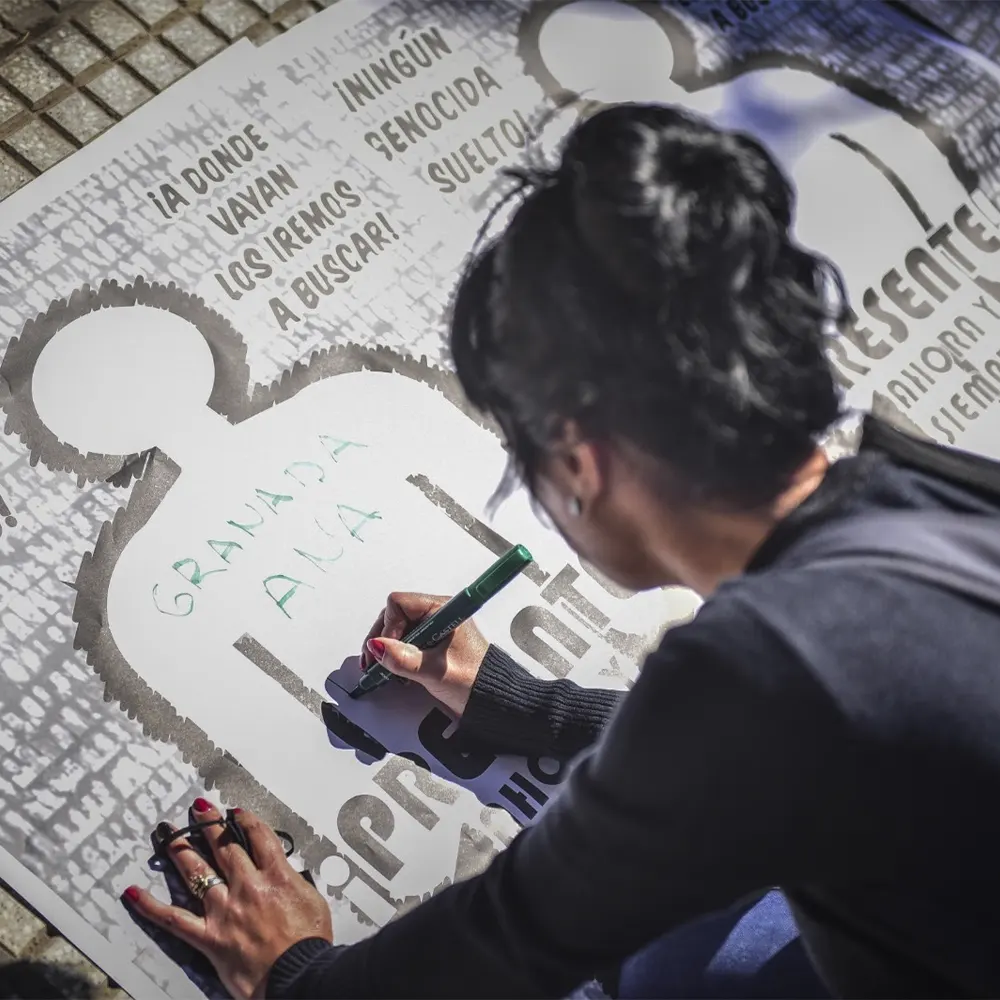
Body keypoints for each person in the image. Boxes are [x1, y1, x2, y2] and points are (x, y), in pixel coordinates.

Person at [124, 104, 1000, 998]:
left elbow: (514, 939)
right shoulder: (946, 495)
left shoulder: (765, 665)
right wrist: (524, 706)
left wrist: (296, 975)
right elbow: (821, 738)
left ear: (579, 461)